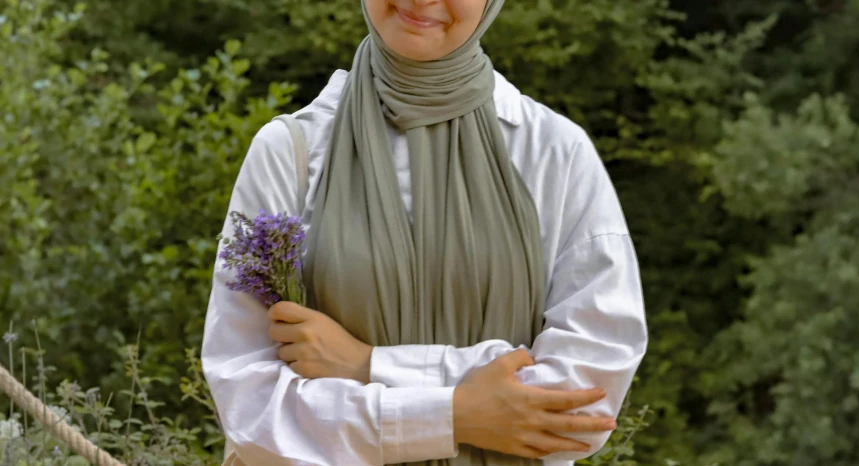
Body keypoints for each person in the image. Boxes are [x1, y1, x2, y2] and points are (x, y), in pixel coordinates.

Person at [201, 0, 648, 465]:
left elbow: (583, 399)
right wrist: (458, 414)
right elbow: (249, 404)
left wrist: (366, 365)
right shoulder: (290, 153)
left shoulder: (555, 154)